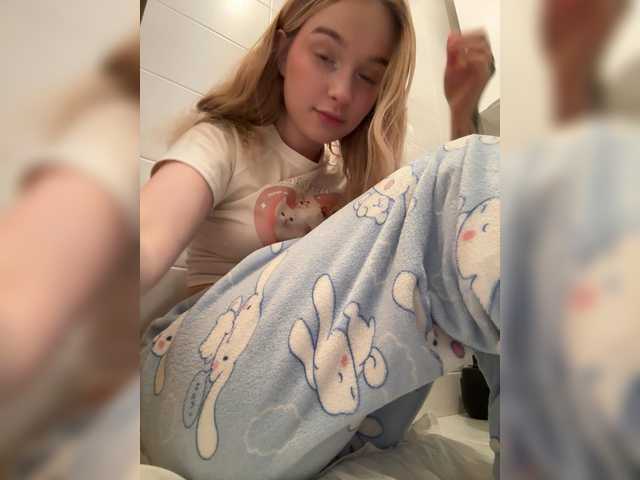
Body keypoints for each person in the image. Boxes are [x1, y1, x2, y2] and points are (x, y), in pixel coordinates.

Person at [140, 0, 494, 300]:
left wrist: (462, 110)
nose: (342, 91)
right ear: (282, 52)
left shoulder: (354, 187)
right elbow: (145, 241)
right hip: (209, 345)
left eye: (368, 77)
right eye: (325, 56)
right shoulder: (222, 144)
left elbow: (448, 253)